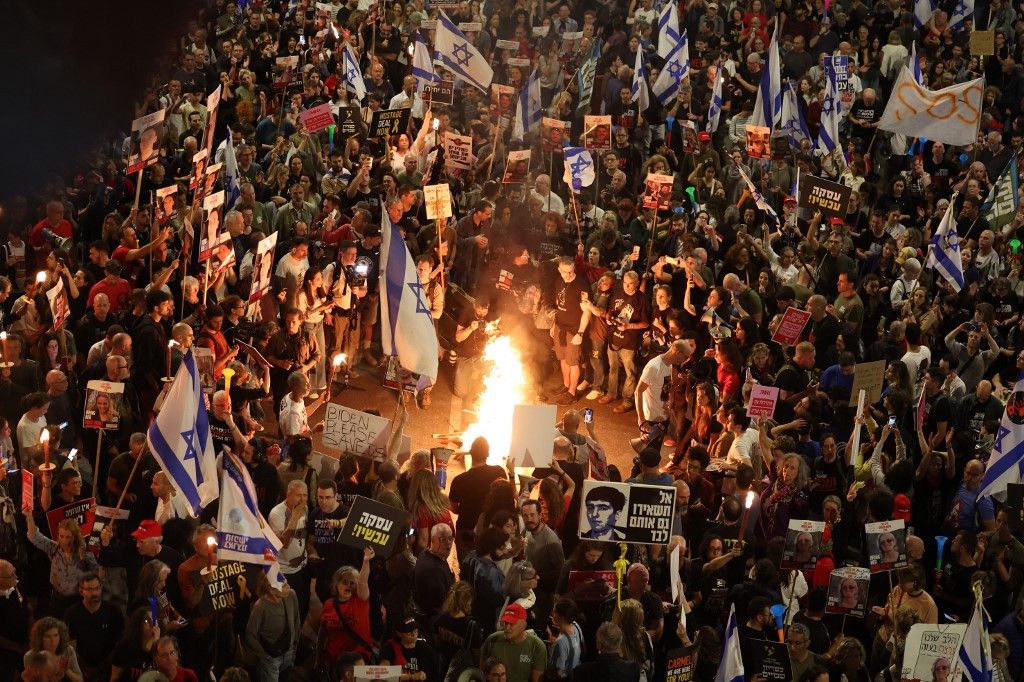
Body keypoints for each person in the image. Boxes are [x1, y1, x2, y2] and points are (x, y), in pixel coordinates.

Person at [480, 604, 547, 682]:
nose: (507, 628)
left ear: (524, 625)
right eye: (506, 622)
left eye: (512, 623)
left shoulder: (537, 646)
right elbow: (482, 672)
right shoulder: (493, 639)